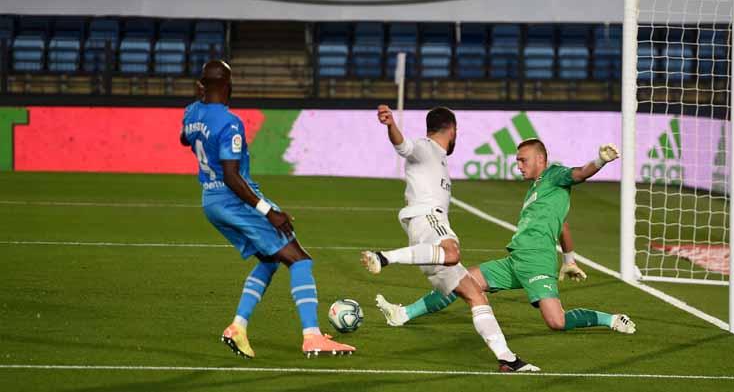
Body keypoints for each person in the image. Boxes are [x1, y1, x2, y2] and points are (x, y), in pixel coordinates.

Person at [180, 60, 355, 358]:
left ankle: (238, 326)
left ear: (202, 85)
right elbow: (232, 176)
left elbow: (185, 139)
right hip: (234, 199)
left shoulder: (192, 112)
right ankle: (312, 336)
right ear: (227, 85)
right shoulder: (229, 122)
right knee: (299, 259)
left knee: (271, 260)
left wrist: (200, 101)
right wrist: (268, 211)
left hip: (210, 202)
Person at [376, 139, 636, 336]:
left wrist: (600, 161)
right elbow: (563, 225)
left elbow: (580, 173)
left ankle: (611, 319)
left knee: (557, 322)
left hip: (537, 262)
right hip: (516, 260)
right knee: (459, 281)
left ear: (540, 159)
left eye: (523, 160)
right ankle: (403, 314)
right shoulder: (536, 189)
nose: (518, 166)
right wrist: (569, 260)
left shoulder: (554, 175)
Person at [361, 105, 538, 372]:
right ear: (452, 130)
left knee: (475, 295)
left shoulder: (439, 156)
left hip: (429, 225)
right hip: (428, 218)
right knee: (453, 252)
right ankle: (384, 257)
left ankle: (507, 358)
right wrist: (391, 126)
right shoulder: (427, 147)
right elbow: (404, 146)